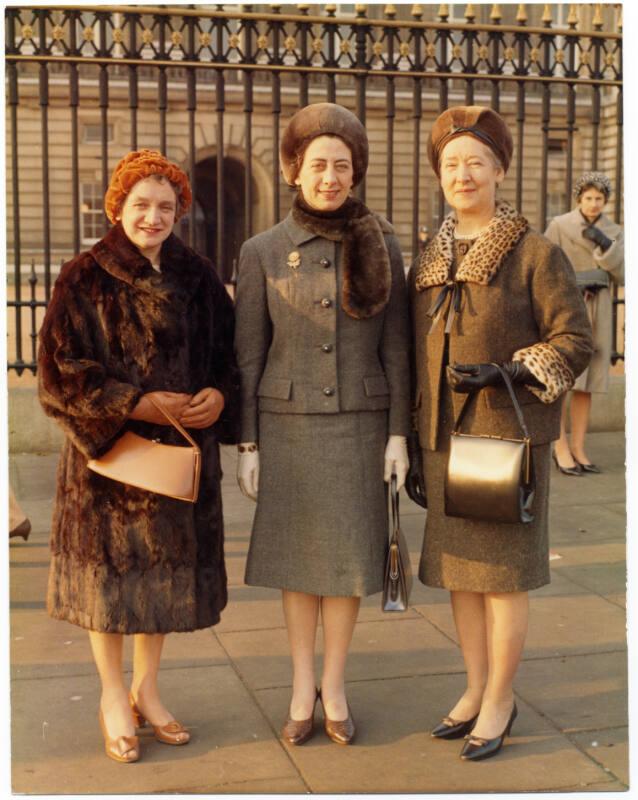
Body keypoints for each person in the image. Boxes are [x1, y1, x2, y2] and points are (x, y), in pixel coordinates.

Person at [38, 149, 239, 763]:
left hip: (178, 457)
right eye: (141, 205)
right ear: (118, 207)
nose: (153, 217)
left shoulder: (199, 276)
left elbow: (228, 354)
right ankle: (108, 695)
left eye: (166, 206)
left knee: (162, 586)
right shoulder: (83, 275)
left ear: (181, 210)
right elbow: (57, 375)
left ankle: (146, 691)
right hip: (108, 462)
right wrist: (134, 403)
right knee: (109, 585)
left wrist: (218, 395)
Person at [409, 106, 592, 761]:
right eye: (451, 164)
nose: (463, 174)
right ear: (439, 175)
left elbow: (576, 338)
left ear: (500, 170)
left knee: (502, 578)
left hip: (505, 440)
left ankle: (502, 698)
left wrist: (511, 371)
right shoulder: (430, 257)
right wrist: (408, 440)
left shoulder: (534, 252)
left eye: (475, 162)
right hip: (442, 441)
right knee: (461, 575)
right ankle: (475, 686)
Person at [235, 102, 410, 746]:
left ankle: (334, 687)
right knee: (297, 565)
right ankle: (299, 685)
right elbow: (249, 353)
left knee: (347, 565)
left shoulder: (382, 245)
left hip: (361, 427)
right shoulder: (261, 251)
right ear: (293, 171)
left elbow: (398, 349)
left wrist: (398, 435)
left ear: (355, 172)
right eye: (318, 165)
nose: (330, 177)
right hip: (287, 428)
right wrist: (247, 442)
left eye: (342, 165)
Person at [544, 172, 623, 475]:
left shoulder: (614, 230)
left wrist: (606, 247)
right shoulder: (560, 225)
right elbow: (546, 265)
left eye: (599, 199)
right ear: (579, 199)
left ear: (606, 201)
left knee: (587, 384)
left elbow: (624, 274)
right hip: (567, 305)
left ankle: (579, 447)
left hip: (598, 307)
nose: (593, 204)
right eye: (588, 198)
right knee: (564, 378)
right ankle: (559, 445)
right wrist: (571, 286)